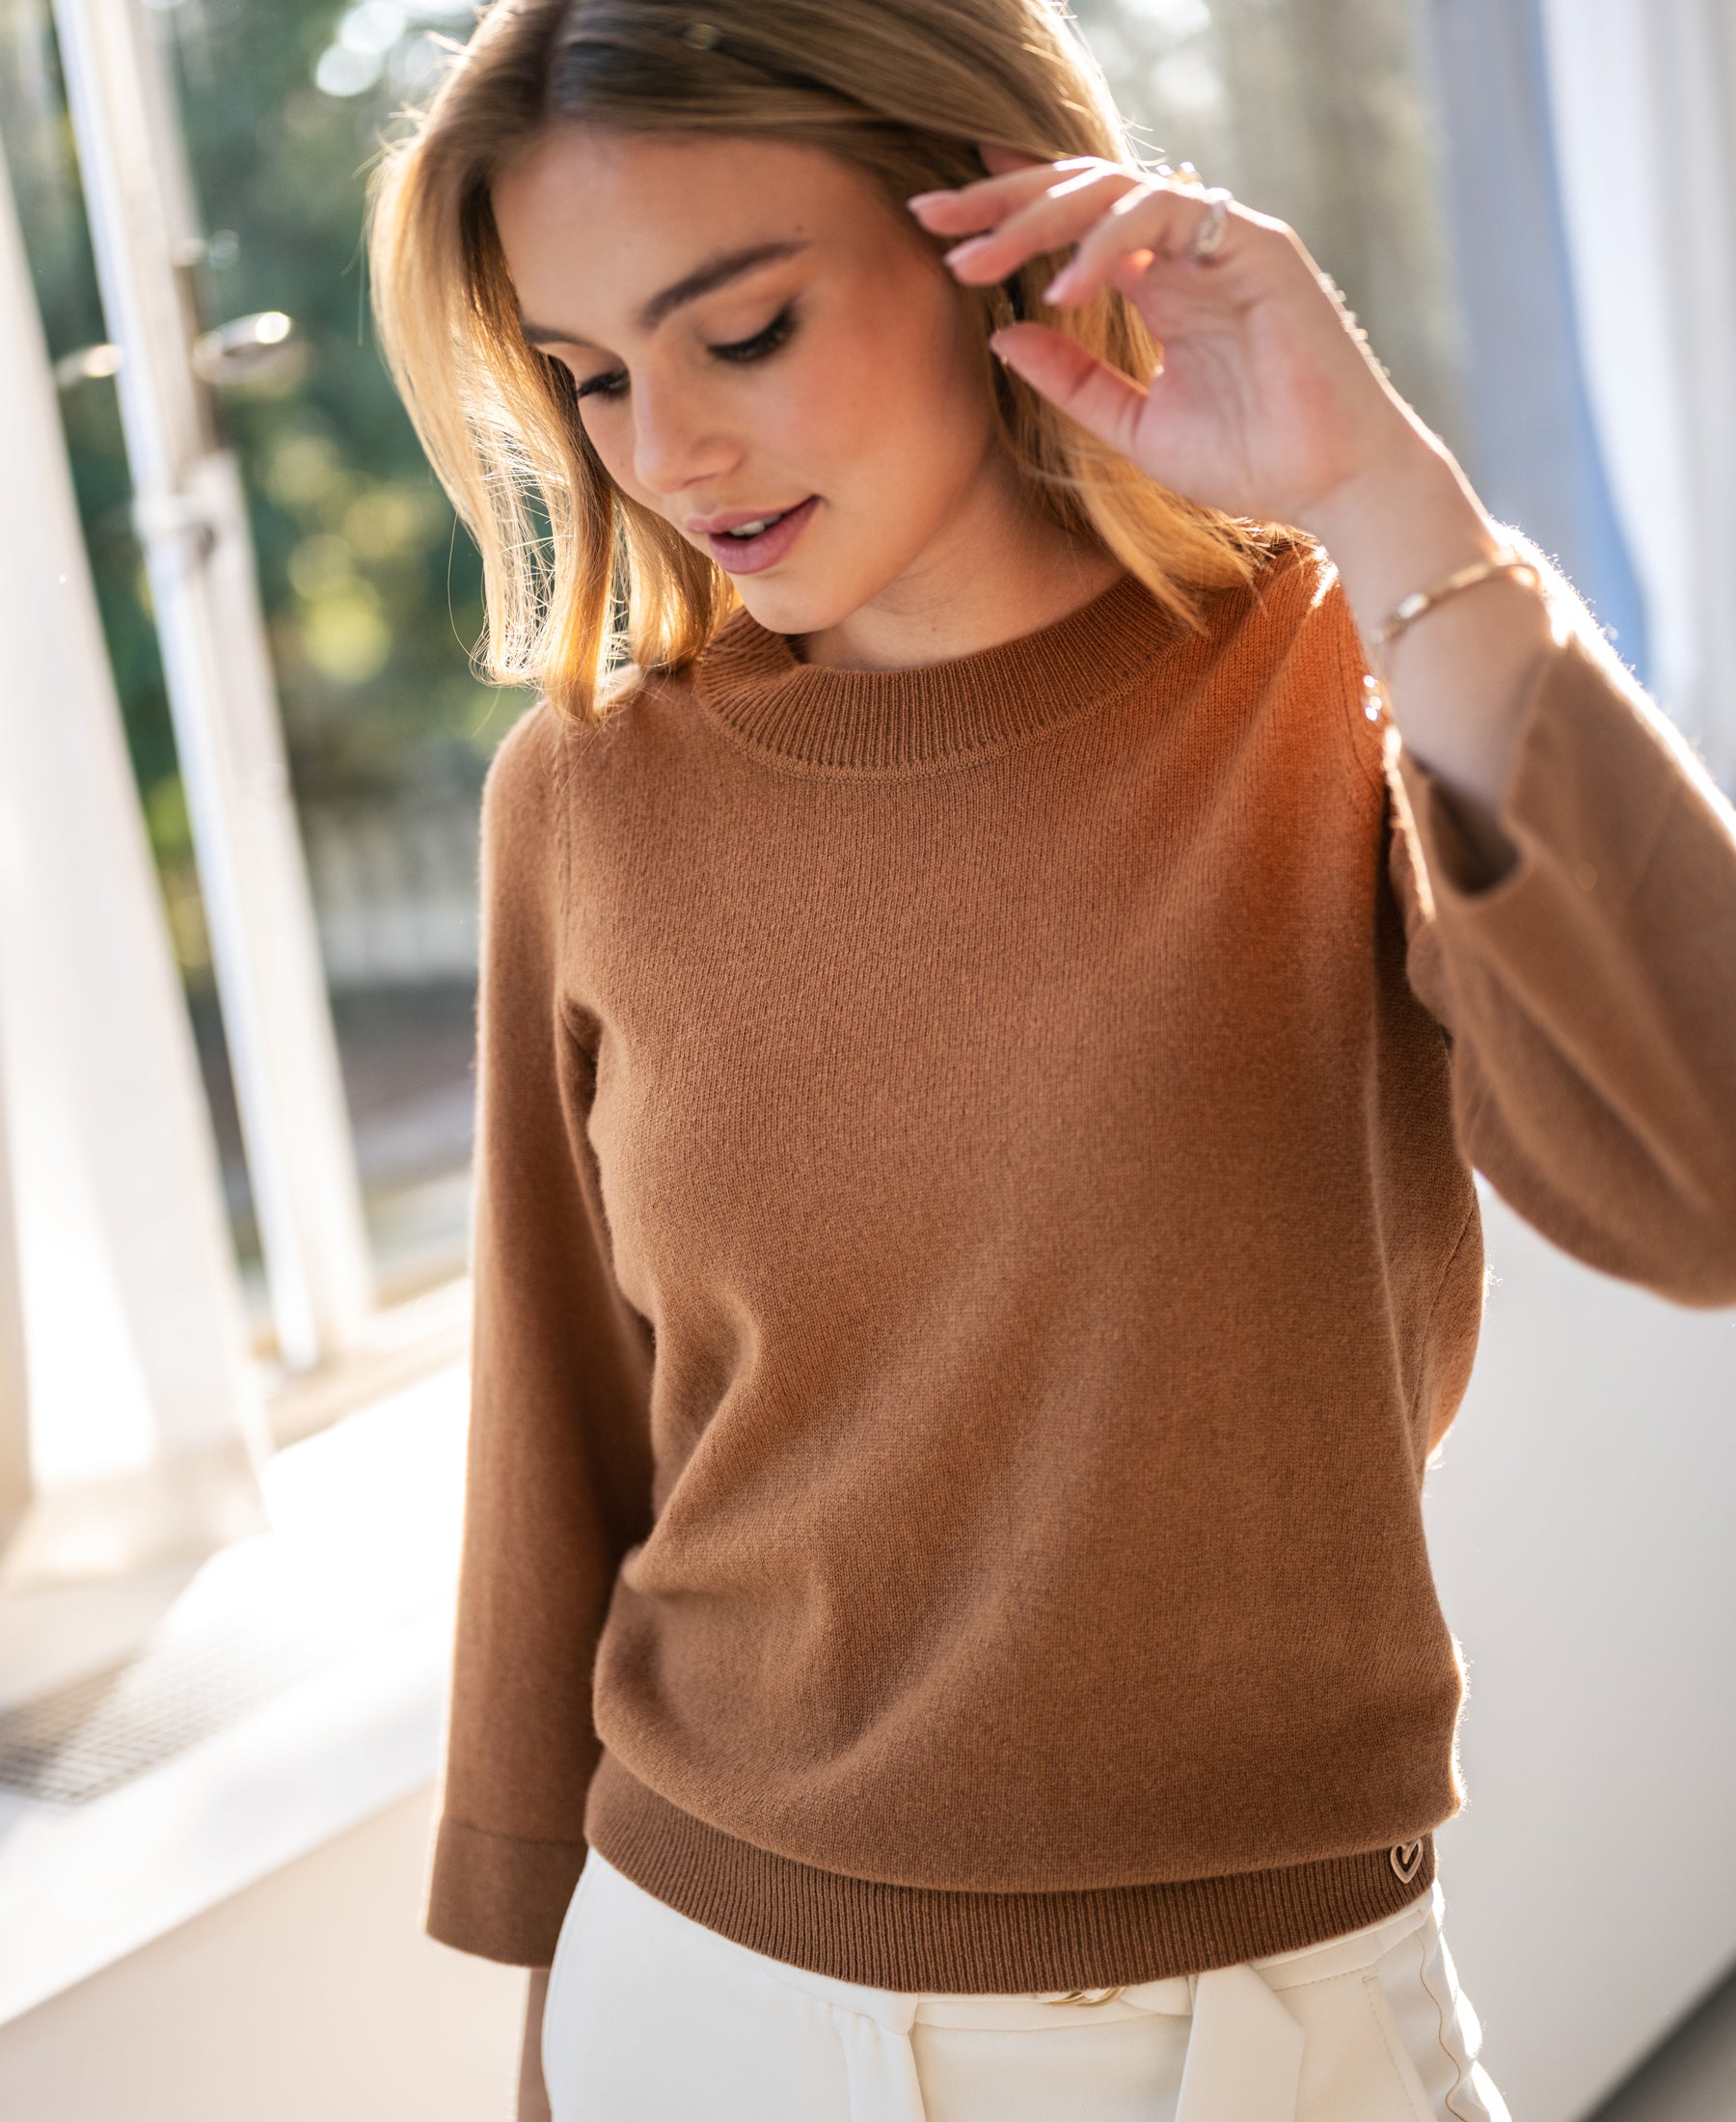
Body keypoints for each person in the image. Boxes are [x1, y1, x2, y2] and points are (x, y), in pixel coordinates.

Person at [366, 2, 1736, 2116]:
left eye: (740, 332)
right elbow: (561, 1433)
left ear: (983, 233)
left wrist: (1377, 483)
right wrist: (556, 1995)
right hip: (702, 1989)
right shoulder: (595, 791)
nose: (666, 450)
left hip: (1268, 2019)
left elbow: (1703, 1172)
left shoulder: (1324, 684)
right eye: (593, 376)